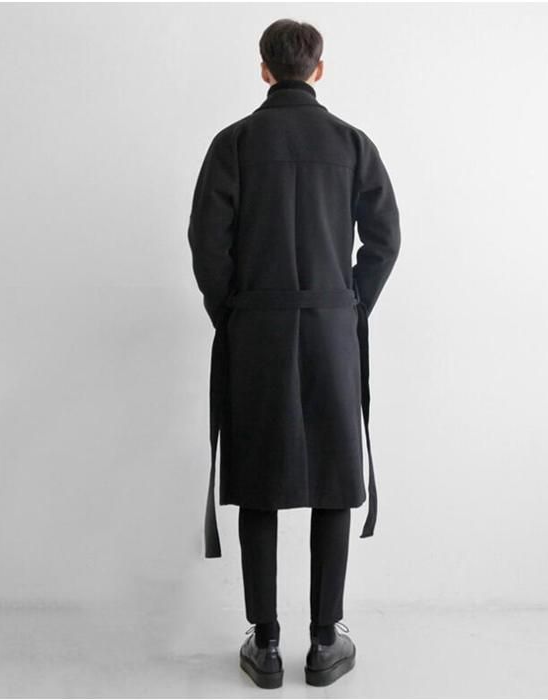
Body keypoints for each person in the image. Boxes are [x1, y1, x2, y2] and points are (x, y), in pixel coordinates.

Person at [187, 18, 401, 688]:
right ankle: (325, 640)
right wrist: (350, 304)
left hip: (258, 332)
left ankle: (267, 643)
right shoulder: (352, 144)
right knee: (333, 477)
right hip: (332, 331)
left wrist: (235, 311)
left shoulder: (234, 144)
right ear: (318, 69)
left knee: (259, 479)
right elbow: (385, 239)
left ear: (263, 69)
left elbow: (206, 244)